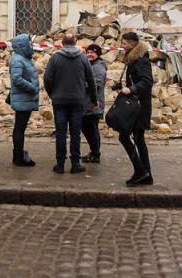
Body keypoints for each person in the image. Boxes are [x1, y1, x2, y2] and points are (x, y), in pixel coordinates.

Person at [43, 31, 96, 174]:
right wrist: (94, 99)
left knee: (61, 133)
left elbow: (47, 78)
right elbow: (91, 80)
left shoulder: (55, 58)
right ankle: (75, 163)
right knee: (75, 133)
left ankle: (60, 164)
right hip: (78, 100)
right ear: (75, 42)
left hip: (59, 101)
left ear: (62, 43)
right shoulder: (83, 58)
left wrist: (52, 93)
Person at [113, 31, 154, 186]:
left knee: (126, 137)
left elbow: (147, 81)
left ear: (132, 44)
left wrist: (132, 89)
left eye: (124, 43)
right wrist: (123, 87)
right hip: (136, 106)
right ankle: (145, 173)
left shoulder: (141, 60)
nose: (122, 47)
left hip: (140, 107)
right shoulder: (133, 60)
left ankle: (141, 171)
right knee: (138, 139)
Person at [8, 33, 39, 167]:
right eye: (29, 43)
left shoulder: (25, 58)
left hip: (25, 98)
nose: (31, 46)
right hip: (23, 98)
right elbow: (17, 79)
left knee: (21, 127)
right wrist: (32, 88)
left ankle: (18, 154)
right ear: (22, 46)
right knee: (19, 128)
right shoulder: (17, 60)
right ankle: (18, 157)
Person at [80, 43, 108, 163]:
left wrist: (80, 85)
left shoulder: (98, 67)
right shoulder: (90, 65)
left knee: (92, 129)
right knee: (86, 128)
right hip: (87, 103)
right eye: (88, 52)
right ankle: (93, 151)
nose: (90, 54)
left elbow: (96, 84)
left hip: (93, 104)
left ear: (98, 54)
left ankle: (96, 154)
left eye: (92, 52)